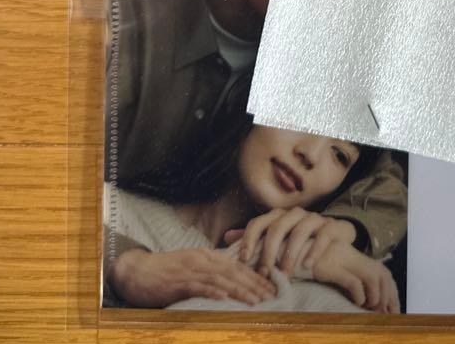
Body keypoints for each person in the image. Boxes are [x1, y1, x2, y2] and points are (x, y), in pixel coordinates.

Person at [106, 0, 406, 284]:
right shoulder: (123, 10)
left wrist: (341, 231)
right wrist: (126, 265)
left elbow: (385, 177)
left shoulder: (316, 49)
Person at [106, 123, 400, 313]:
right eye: (299, 115)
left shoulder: (324, 288)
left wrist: (298, 255)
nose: (310, 154)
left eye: (340, 155)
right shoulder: (109, 209)